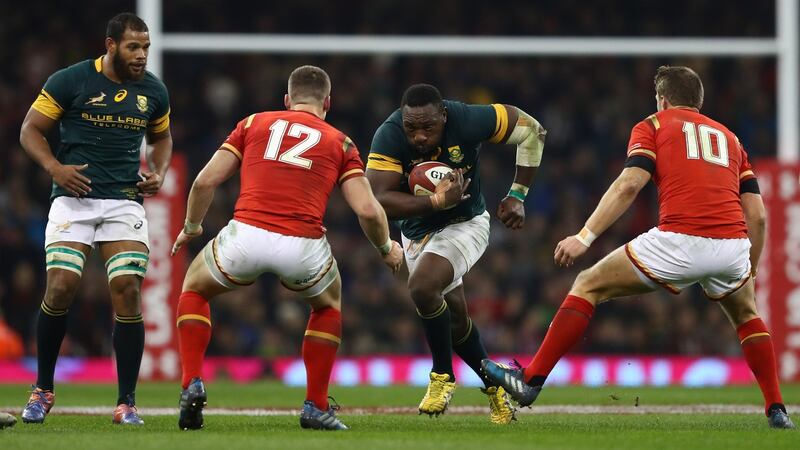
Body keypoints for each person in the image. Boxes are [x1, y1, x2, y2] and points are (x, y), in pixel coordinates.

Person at [482, 66, 795, 429]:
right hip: (733, 245)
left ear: (662, 99)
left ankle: (531, 379)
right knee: (747, 315)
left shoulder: (654, 125)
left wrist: (583, 237)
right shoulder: (730, 138)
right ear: (699, 101)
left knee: (587, 284)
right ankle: (777, 409)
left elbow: (630, 184)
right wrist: (749, 268)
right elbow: (757, 215)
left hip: (680, 238)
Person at [170, 65, 403, 431]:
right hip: (302, 245)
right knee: (327, 306)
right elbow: (368, 209)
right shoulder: (340, 142)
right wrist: (386, 247)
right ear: (328, 102)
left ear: (286, 100)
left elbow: (204, 182)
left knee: (195, 289)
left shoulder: (252, 123)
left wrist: (192, 227)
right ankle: (316, 406)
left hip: (246, 235)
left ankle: (192, 382)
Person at [18, 12, 172, 426]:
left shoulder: (153, 91)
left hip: (123, 201)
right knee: (62, 286)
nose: (141, 56)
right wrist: (55, 168)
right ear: (110, 46)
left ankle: (126, 403)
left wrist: (158, 171)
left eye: (145, 47)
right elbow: (30, 130)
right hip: (73, 199)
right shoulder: (70, 80)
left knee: (127, 290)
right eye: (133, 47)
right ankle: (43, 389)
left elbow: (161, 138)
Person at [366, 84, 546, 423]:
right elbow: (378, 198)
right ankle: (495, 388)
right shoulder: (389, 135)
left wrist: (518, 195)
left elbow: (532, 131)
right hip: (417, 231)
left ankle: (441, 376)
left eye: (428, 127)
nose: (419, 136)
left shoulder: (468, 119)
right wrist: (435, 202)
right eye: (412, 128)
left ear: (444, 116)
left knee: (422, 287)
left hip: (466, 223)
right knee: (456, 319)